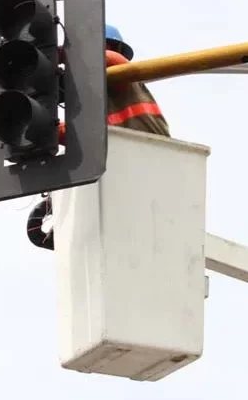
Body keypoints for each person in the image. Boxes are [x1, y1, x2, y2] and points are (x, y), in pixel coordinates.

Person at [27, 24, 170, 250]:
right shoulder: (92, 108)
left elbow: (110, 60)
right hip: (126, 171)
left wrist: (61, 55)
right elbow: (83, 138)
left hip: (155, 160)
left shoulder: (123, 78)